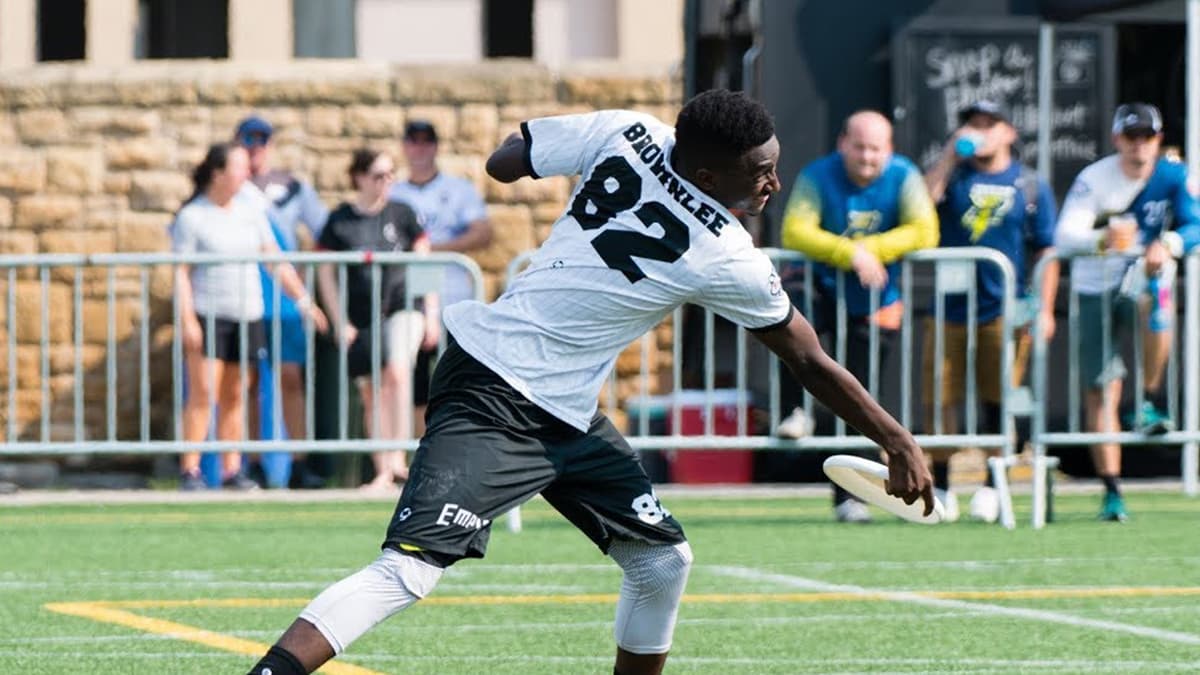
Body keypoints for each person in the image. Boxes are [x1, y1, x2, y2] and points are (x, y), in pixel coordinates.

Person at [246, 89, 933, 675]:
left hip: (564, 410)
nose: (771, 185)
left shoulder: (629, 130)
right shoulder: (728, 255)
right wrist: (898, 440)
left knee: (662, 562)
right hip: (496, 390)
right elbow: (808, 359)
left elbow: (505, 162)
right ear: (704, 171)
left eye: (773, 168)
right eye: (759, 172)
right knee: (409, 569)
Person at [777, 110, 939, 523]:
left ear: (890, 150)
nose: (868, 157)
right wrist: (850, 253)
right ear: (842, 144)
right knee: (787, 336)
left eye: (876, 149)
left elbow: (925, 230)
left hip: (875, 298)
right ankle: (794, 410)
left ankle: (852, 498)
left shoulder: (905, 176)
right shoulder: (817, 175)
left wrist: (872, 250)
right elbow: (794, 230)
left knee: (861, 399)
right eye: (860, 147)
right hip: (820, 291)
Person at [1054, 102, 1200, 522]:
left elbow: (1195, 224)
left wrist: (1168, 243)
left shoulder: (1173, 175)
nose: (1139, 146)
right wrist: (1103, 238)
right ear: (1117, 138)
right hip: (1095, 284)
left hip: (1145, 280)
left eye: (1147, 137)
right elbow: (1065, 234)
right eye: (1131, 137)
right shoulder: (1094, 178)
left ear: (1158, 139)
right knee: (1101, 388)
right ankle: (1112, 489)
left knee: (1157, 297)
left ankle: (1152, 397)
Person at [921, 100, 1059, 522]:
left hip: (1004, 306)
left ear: (1009, 133)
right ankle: (942, 482)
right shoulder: (954, 175)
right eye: (973, 124)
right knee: (940, 397)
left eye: (989, 124)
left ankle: (991, 484)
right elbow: (922, 203)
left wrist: (1046, 309)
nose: (980, 131)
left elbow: (1046, 251)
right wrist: (948, 155)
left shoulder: (1031, 183)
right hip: (948, 307)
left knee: (998, 398)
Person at [173, 143, 328, 491]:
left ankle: (232, 468)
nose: (246, 175)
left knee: (236, 394)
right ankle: (190, 468)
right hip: (210, 312)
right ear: (218, 173)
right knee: (203, 392)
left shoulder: (250, 212)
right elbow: (180, 272)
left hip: (247, 313)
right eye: (238, 168)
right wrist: (187, 320)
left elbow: (275, 260)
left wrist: (304, 300)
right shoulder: (193, 215)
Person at [316, 148, 440, 491]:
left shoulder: (403, 214)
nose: (386, 182)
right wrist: (339, 320)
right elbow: (325, 273)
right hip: (361, 315)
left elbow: (424, 263)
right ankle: (382, 469)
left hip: (404, 306)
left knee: (397, 372)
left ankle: (398, 463)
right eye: (378, 175)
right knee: (371, 391)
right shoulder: (340, 220)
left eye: (390, 174)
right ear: (358, 177)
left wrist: (431, 313)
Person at [234, 115, 330, 489]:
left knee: (291, 378)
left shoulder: (291, 187)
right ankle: (254, 461)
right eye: (248, 141)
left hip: (286, 295)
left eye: (262, 141)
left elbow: (323, 231)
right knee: (251, 381)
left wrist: (307, 282)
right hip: (246, 291)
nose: (255, 147)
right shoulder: (231, 186)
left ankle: (299, 461)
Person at [390, 120, 493, 435]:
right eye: (413, 142)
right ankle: (422, 448)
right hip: (412, 297)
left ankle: (457, 441)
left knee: (459, 378)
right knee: (417, 379)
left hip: (453, 294)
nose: (420, 148)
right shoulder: (396, 192)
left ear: (435, 146)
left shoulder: (457, 189)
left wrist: (432, 248)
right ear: (405, 147)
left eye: (426, 142)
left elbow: (483, 232)